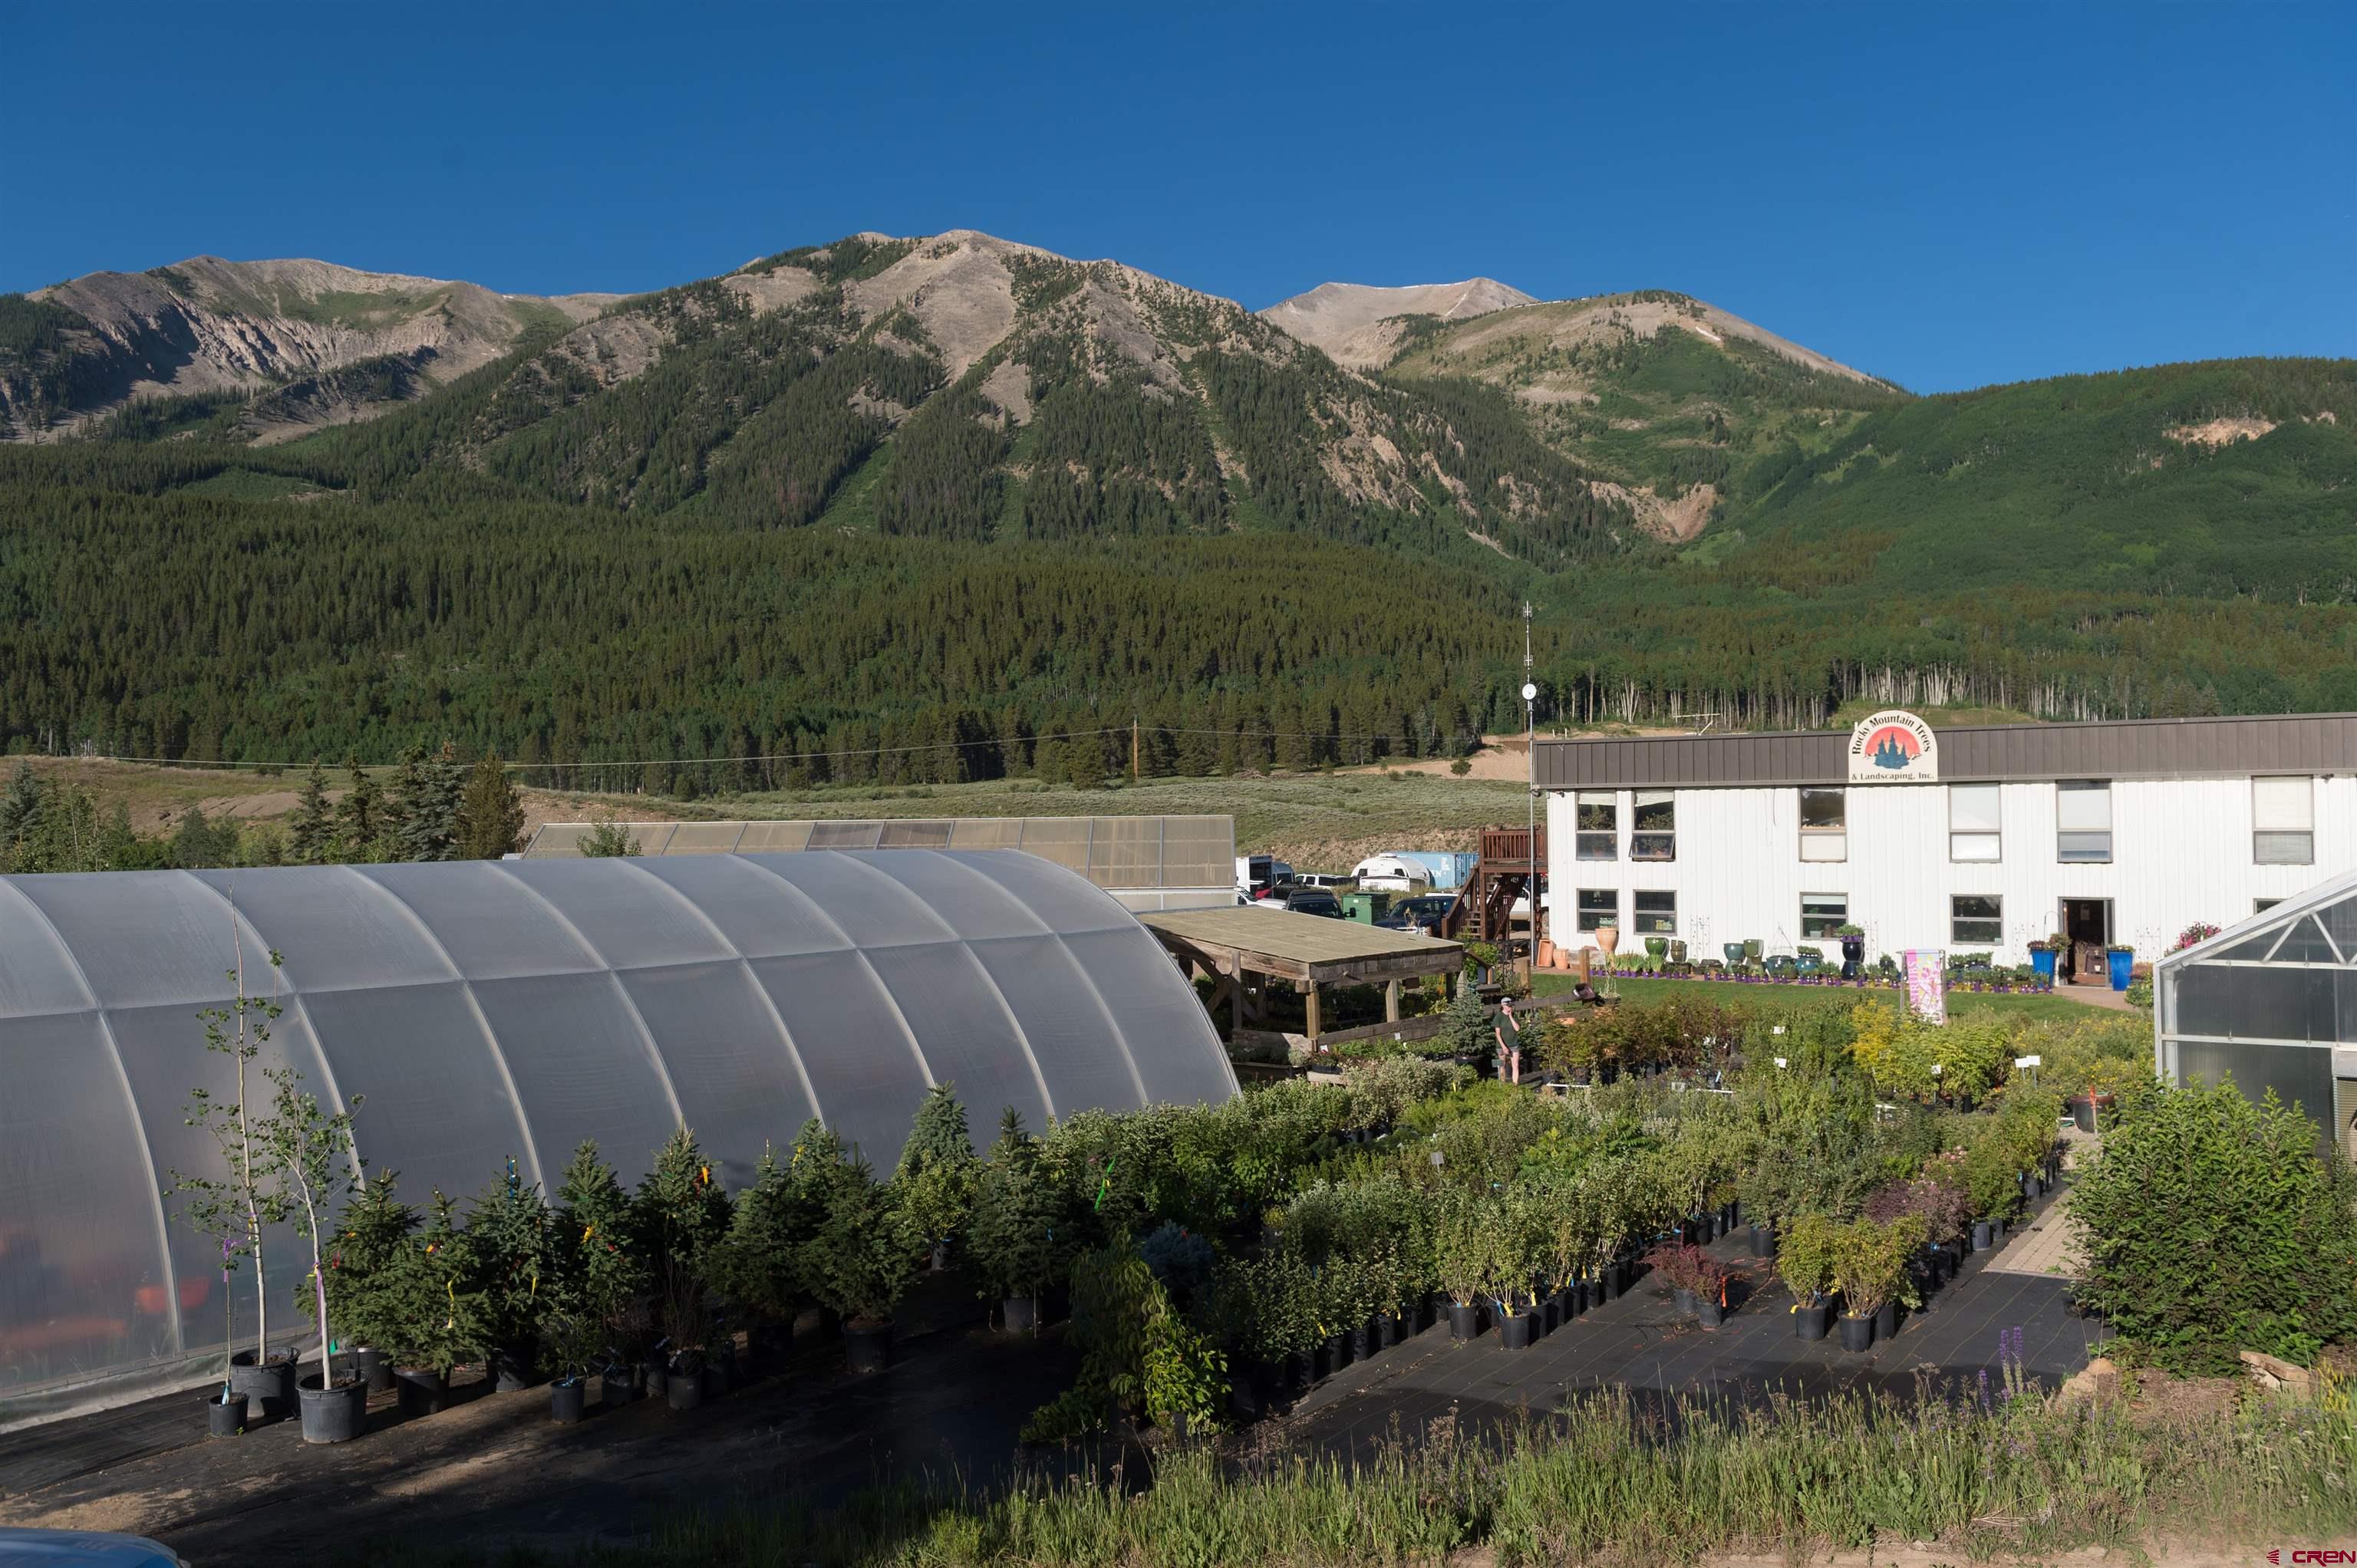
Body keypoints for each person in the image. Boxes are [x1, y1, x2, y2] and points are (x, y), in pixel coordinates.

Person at [1493, 996, 1524, 1085]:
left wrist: (1510, 1017)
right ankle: (1503, 1085)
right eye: (1508, 1006)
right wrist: (1504, 1047)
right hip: (1501, 1046)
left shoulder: (1514, 1016)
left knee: (1515, 1065)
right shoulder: (1499, 1017)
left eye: (1511, 1006)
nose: (1510, 1007)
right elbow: (1497, 1034)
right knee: (1502, 1066)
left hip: (1514, 1044)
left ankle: (1515, 1086)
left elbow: (1517, 1029)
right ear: (1503, 1005)